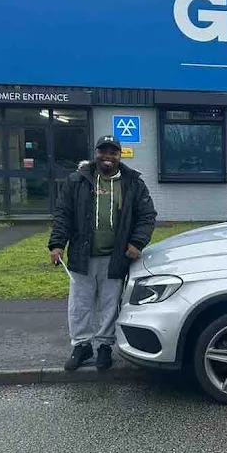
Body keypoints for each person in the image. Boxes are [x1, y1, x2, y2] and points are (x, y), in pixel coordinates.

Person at [48, 136, 157, 371]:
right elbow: (63, 214)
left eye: (113, 152)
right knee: (80, 305)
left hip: (115, 257)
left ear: (119, 155)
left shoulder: (133, 183)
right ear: (96, 153)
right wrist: (57, 244)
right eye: (103, 151)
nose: (107, 156)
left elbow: (147, 216)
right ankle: (81, 346)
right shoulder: (77, 181)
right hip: (82, 255)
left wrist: (137, 243)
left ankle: (105, 346)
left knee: (110, 305)